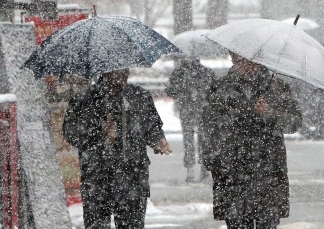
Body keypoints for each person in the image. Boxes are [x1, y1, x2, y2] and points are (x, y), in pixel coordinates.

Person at [201, 53, 303, 229]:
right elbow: (208, 127)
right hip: (231, 173)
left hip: (268, 173)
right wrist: (212, 158)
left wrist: (269, 113)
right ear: (232, 58)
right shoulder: (220, 87)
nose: (246, 65)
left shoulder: (277, 87)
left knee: (267, 223)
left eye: (251, 60)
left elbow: (294, 123)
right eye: (240, 59)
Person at [64, 69, 172, 229]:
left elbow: (151, 124)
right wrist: (97, 128)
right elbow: (70, 132)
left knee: (132, 225)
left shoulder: (139, 96)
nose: (122, 75)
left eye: (124, 70)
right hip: (96, 178)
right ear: (104, 72)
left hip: (133, 177)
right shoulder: (85, 99)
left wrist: (158, 139)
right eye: (116, 71)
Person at [167, 55, 215, 182]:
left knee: (188, 139)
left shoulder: (179, 72)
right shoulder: (207, 72)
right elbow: (213, 93)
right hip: (203, 110)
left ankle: (190, 170)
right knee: (203, 139)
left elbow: (170, 91)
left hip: (186, 109)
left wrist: (182, 93)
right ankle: (204, 167)